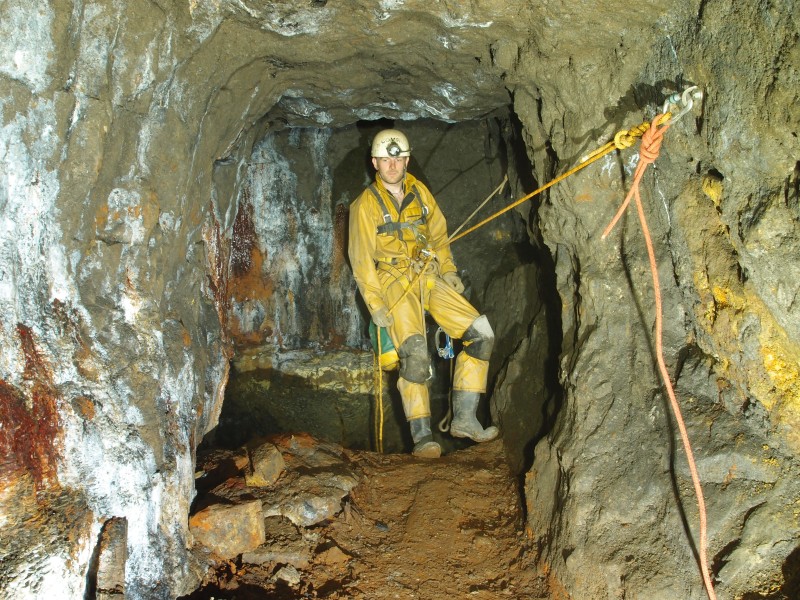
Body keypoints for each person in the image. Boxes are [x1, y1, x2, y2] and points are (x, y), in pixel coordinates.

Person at [348, 128, 498, 458]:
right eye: (386, 160)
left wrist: (448, 271)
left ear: (406, 159)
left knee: (481, 333)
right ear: (375, 162)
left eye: (398, 158)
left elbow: (439, 235)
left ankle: (465, 418)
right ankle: (422, 437)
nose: (392, 165)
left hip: (428, 275)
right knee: (415, 355)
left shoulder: (421, 193)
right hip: (394, 281)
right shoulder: (365, 206)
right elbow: (361, 259)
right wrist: (374, 303)